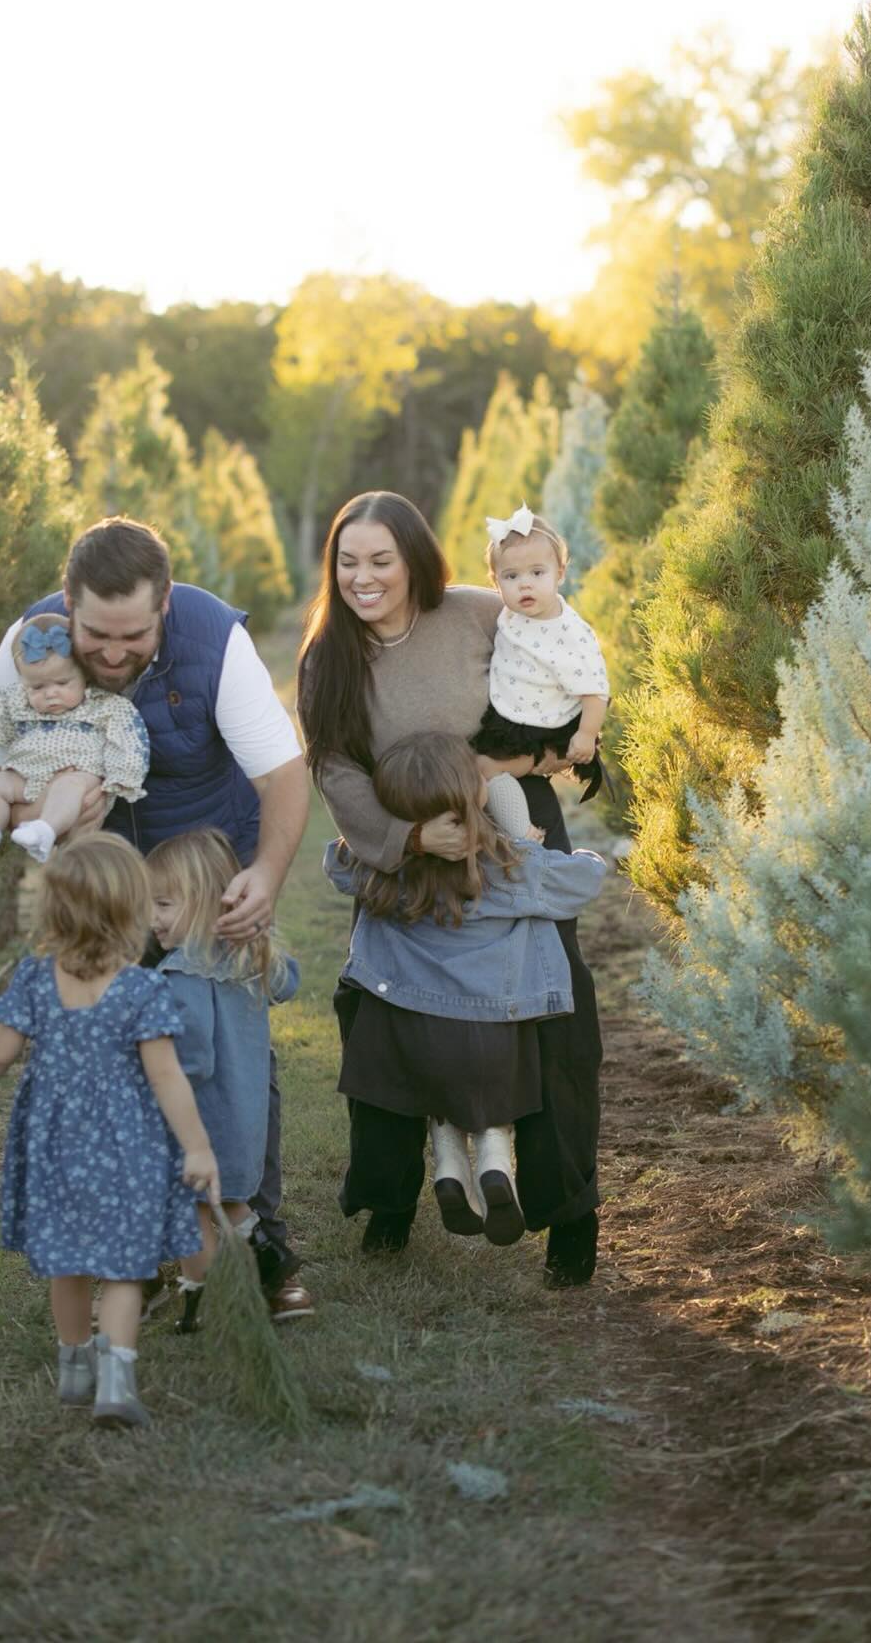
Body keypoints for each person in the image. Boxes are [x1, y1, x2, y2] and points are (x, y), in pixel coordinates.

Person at [0, 517, 313, 1318]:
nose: (112, 652)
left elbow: (286, 777)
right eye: (96, 634)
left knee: (231, 1054)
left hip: (198, 872)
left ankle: (260, 1239)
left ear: (165, 606)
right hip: (100, 886)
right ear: (67, 604)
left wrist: (264, 875)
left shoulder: (213, 641)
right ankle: (149, 1244)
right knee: (118, 1055)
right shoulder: (30, 641)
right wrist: (46, 804)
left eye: (132, 634)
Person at [297, 490, 606, 1288]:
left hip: (509, 829)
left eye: (381, 560)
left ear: (415, 561)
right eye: (348, 560)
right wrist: (404, 841)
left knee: (551, 1005)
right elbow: (332, 765)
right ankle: (391, 1201)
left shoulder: (478, 614)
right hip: (403, 839)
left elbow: (565, 686)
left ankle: (568, 1213)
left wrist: (509, 770)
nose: (363, 577)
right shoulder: (327, 656)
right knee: (389, 1013)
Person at [0, 832, 218, 1428]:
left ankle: (74, 1368)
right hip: (127, 1149)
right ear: (133, 913)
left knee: (67, 1262)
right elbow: (167, 1077)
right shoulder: (141, 989)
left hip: (55, 1148)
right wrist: (198, 1146)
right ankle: (117, 1382)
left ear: (54, 910)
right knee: (125, 1266)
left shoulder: (35, 980)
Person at [323, 733, 607, 1250]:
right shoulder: (509, 868)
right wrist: (527, 843)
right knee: (492, 1102)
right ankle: (496, 1167)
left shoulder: (382, 874)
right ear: (472, 795)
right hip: (491, 1033)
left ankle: (440, 1179)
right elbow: (586, 879)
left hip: (409, 1029)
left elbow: (335, 863)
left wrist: (396, 839)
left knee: (433, 1100)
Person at [145, 828, 302, 1332]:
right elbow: (289, 981)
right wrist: (259, 939)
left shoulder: (178, 977)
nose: (153, 919)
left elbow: (193, 1061)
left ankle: (205, 1302)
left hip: (203, 1124)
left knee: (195, 1216)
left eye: (164, 904)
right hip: (246, 1121)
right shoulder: (245, 959)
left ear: (202, 904)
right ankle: (269, 1261)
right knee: (234, 1204)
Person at [0, 611, 149, 865]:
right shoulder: (19, 702)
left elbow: (128, 738)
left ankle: (44, 831)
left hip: (78, 775)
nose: (51, 694)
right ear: (24, 684)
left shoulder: (102, 706)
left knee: (68, 787)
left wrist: (120, 778)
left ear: (85, 675)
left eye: (63, 683)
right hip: (28, 775)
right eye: (38, 687)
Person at [470, 504, 610, 803]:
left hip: (545, 722)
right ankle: (508, 816)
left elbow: (596, 690)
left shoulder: (570, 632)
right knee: (479, 771)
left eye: (537, 572)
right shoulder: (511, 612)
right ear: (495, 583)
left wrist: (586, 735)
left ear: (559, 573)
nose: (525, 584)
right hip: (511, 709)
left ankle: (513, 808)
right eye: (511, 577)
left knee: (490, 768)